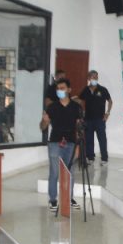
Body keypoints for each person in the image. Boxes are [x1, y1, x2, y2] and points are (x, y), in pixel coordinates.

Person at [40, 77, 82, 212]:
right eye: (58, 89)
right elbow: (42, 127)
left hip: (71, 143)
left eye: (62, 88)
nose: (60, 91)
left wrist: (78, 147)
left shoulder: (76, 107)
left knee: (70, 172)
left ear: (69, 90)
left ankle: (69, 198)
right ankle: (53, 199)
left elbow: (79, 128)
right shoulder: (52, 107)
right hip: (55, 142)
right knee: (54, 172)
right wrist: (45, 121)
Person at [79, 70, 112, 165]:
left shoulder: (103, 89)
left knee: (102, 139)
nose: (95, 79)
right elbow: (80, 100)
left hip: (100, 119)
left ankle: (104, 158)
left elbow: (110, 101)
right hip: (88, 119)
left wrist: (107, 113)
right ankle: (90, 157)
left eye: (96, 77)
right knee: (89, 139)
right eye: (93, 77)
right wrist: (82, 111)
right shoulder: (85, 90)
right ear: (89, 78)